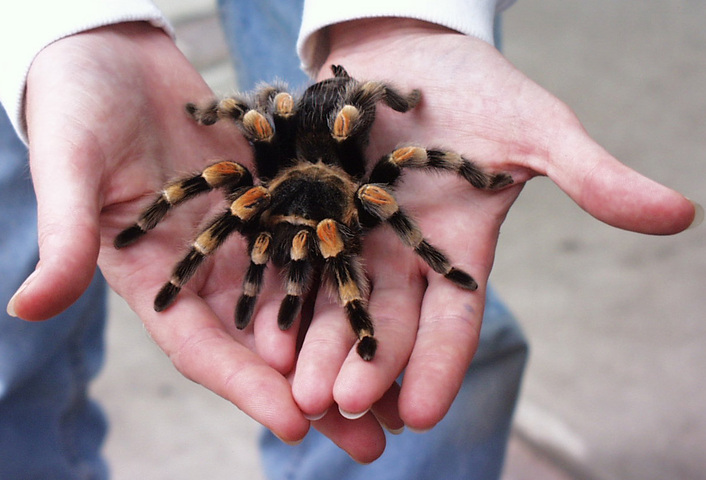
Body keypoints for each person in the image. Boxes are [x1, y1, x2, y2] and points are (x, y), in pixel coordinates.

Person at [0, 1, 698, 479]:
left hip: (337, 157)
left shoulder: (364, 186)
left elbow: (416, 168)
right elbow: (248, 123)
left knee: (405, 337)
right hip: (283, 159)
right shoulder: (261, 191)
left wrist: (403, 15)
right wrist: (72, 24)